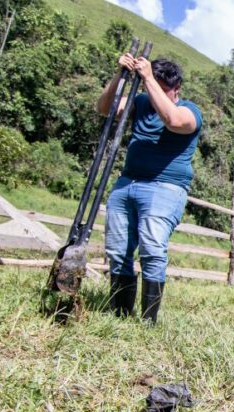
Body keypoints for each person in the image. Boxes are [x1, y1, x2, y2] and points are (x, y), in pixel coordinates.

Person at [97, 53, 202, 323]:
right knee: (118, 250)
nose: (154, 95)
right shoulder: (142, 101)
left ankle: (148, 321)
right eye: (150, 87)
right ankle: (119, 316)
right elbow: (105, 108)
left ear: (176, 89)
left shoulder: (190, 112)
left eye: (162, 90)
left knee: (152, 249)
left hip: (165, 188)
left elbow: (174, 121)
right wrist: (119, 76)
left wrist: (147, 79)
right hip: (127, 183)